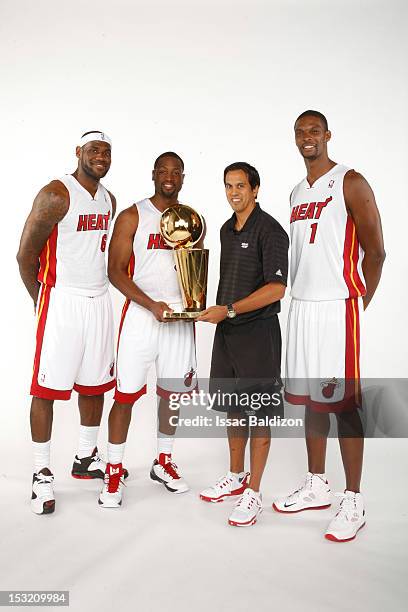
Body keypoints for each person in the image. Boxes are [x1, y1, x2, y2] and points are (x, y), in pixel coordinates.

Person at [273, 110, 385, 542]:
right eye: (300, 132)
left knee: (343, 403)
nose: (307, 138)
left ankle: (353, 498)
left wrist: (356, 302)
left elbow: (376, 252)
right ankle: (317, 484)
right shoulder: (296, 191)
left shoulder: (350, 181)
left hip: (338, 307)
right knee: (309, 400)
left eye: (314, 132)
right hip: (301, 305)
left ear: (327, 136)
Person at [17, 130, 124, 514]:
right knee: (47, 389)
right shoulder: (56, 193)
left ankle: (84, 457)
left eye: (107, 152)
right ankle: (41, 472)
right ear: (78, 152)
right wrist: (41, 299)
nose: (101, 157)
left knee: (95, 385)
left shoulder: (109, 199)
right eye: (94, 150)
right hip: (61, 299)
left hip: (98, 299)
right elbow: (24, 255)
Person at [98, 152, 197, 508]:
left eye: (176, 172)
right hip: (141, 317)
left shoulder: (190, 219)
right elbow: (115, 271)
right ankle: (113, 469)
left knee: (171, 394)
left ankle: (163, 460)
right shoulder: (133, 215)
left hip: (179, 319)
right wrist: (151, 304)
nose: (169, 177)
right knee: (125, 396)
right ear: (154, 175)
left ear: (183, 178)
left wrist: (193, 304)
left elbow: (191, 270)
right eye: (163, 171)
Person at [198, 162, 289, 527]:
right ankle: (236, 478)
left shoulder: (270, 230)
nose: (234, 192)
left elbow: (276, 288)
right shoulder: (224, 230)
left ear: (255, 189)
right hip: (228, 333)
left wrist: (230, 309)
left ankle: (254, 491)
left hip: (258, 335)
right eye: (228, 186)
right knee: (233, 407)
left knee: (260, 413)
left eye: (241, 186)